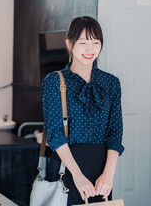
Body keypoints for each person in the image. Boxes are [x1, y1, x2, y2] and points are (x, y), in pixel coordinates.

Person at [41, 16, 124, 205]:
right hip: (67, 166)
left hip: (101, 170)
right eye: (83, 42)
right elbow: (55, 134)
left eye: (95, 42)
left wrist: (108, 175)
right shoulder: (54, 81)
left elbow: (115, 132)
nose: (90, 49)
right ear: (69, 44)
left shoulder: (111, 83)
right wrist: (77, 176)